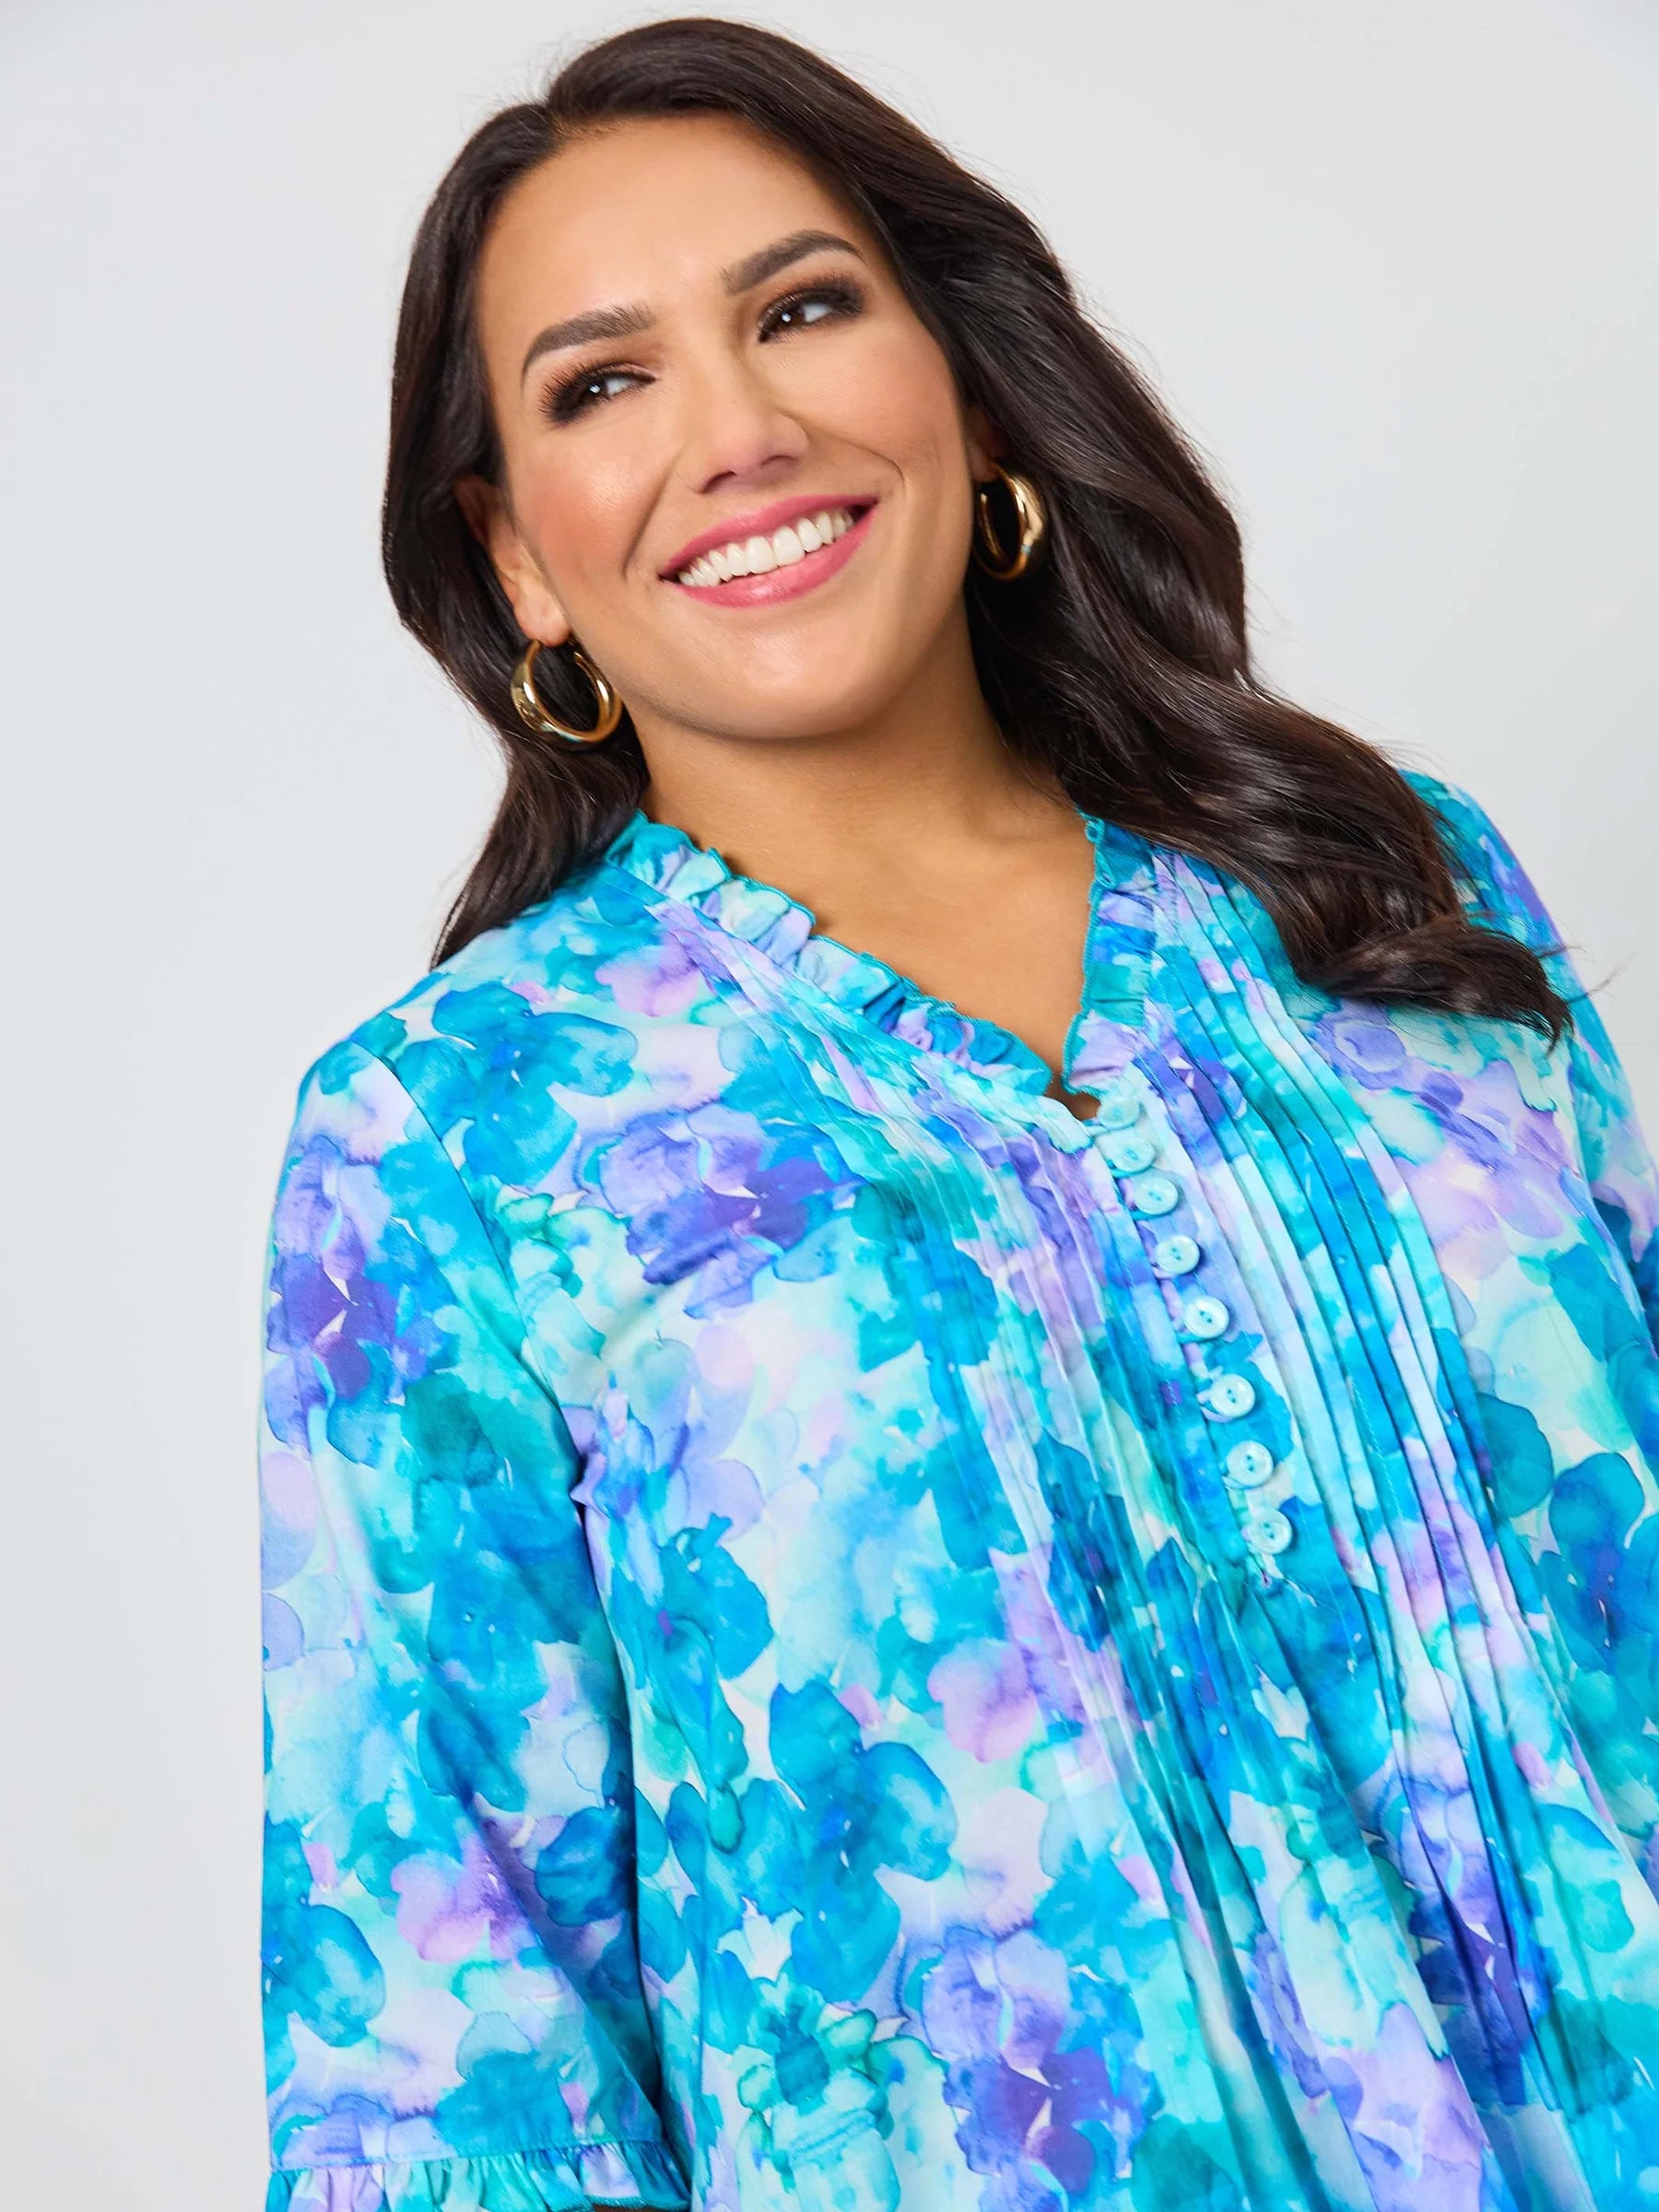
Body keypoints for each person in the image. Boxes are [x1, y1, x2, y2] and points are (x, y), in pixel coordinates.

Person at [257, 18, 1659, 2212]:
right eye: (602, 384)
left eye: (802, 310)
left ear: (975, 393)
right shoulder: (454, 1141)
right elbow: (454, 2038)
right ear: (517, 557)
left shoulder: (1388, 887)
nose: (738, 430)